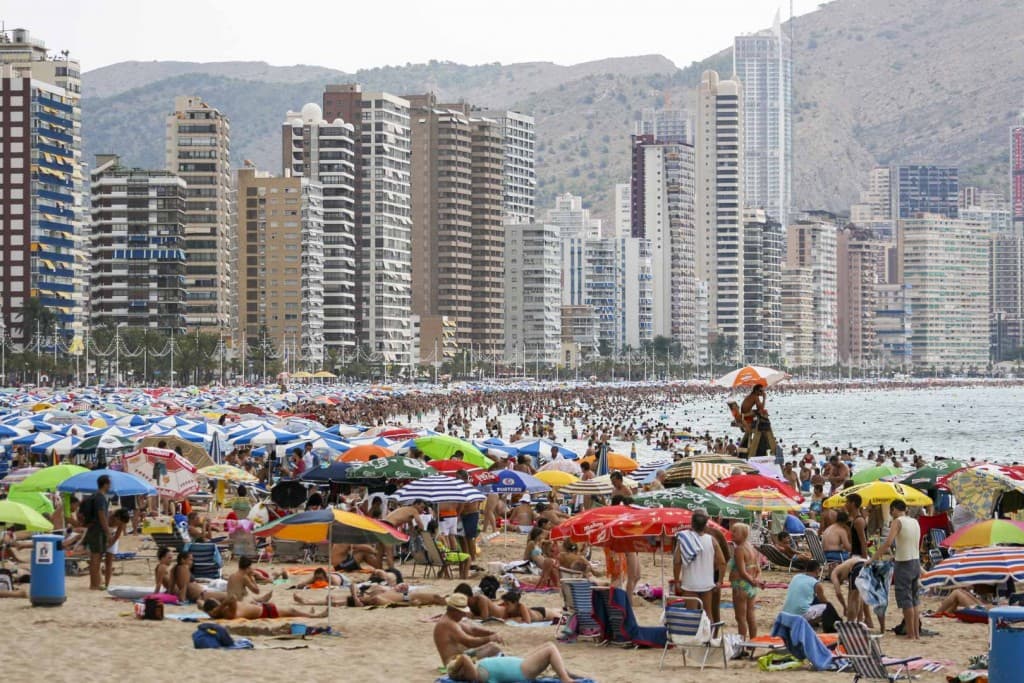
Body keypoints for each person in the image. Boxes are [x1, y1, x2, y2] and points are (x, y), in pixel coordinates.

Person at [873, 499, 922, 640]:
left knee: (906, 599)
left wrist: (874, 558)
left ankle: (911, 633)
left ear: (894, 509)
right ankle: (916, 634)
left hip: (904, 563)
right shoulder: (914, 521)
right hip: (915, 561)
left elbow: (888, 543)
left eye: (891, 510)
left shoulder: (897, 522)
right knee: (915, 599)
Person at [673, 510, 725, 618]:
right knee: (707, 614)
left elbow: (677, 561)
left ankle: (694, 634)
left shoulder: (683, 539)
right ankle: (708, 635)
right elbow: (722, 562)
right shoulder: (712, 540)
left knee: (691, 615)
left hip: (690, 584)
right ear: (706, 525)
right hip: (707, 583)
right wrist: (719, 581)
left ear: (692, 523)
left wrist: (677, 580)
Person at [446, 643, 585, 683]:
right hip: (521, 670)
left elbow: (491, 648)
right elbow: (464, 658)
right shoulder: (474, 675)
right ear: (461, 671)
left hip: (521, 665)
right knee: (550, 649)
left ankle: (564, 673)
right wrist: (454, 667)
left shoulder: (476, 670)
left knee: (547, 645)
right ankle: (565, 678)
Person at [432, 593, 503, 666]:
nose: (464, 615)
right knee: (492, 648)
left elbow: (472, 630)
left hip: (460, 658)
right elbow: (469, 643)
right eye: (462, 612)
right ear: (455, 611)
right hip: (454, 663)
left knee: (489, 646)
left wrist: (490, 633)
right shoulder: (448, 624)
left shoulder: (451, 620)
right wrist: (489, 638)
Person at [728, 522, 764, 641]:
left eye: (735, 532)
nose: (731, 534)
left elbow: (742, 572)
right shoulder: (752, 548)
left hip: (741, 585)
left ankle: (742, 644)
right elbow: (758, 569)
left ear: (743, 534)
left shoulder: (739, 549)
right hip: (750, 587)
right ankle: (753, 641)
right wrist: (756, 581)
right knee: (751, 616)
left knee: (740, 618)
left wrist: (753, 582)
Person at [83, 474, 112, 590]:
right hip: (97, 530)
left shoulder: (95, 496)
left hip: (94, 529)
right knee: (96, 558)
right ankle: (94, 584)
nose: (110, 486)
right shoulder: (100, 497)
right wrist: (108, 531)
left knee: (96, 557)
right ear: (105, 484)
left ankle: (95, 583)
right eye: (109, 483)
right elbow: (101, 515)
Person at [781, 559, 829, 625]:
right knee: (828, 609)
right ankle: (805, 623)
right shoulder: (816, 584)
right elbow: (824, 601)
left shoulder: (796, 577)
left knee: (812, 600)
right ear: (817, 570)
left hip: (785, 614)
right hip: (799, 616)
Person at [202, 596, 326, 620]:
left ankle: (307, 613)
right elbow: (231, 598)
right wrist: (218, 609)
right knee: (291, 611)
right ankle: (315, 616)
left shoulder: (225, 610)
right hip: (266, 612)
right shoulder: (228, 613)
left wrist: (216, 609)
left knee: (292, 611)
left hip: (263, 608)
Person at [102, 508, 132, 589]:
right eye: (121, 522)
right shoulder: (107, 515)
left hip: (113, 537)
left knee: (109, 562)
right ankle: (99, 580)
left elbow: (116, 536)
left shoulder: (121, 522)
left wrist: (107, 546)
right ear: (117, 517)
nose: (121, 524)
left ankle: (107, 584)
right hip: (102, 535)